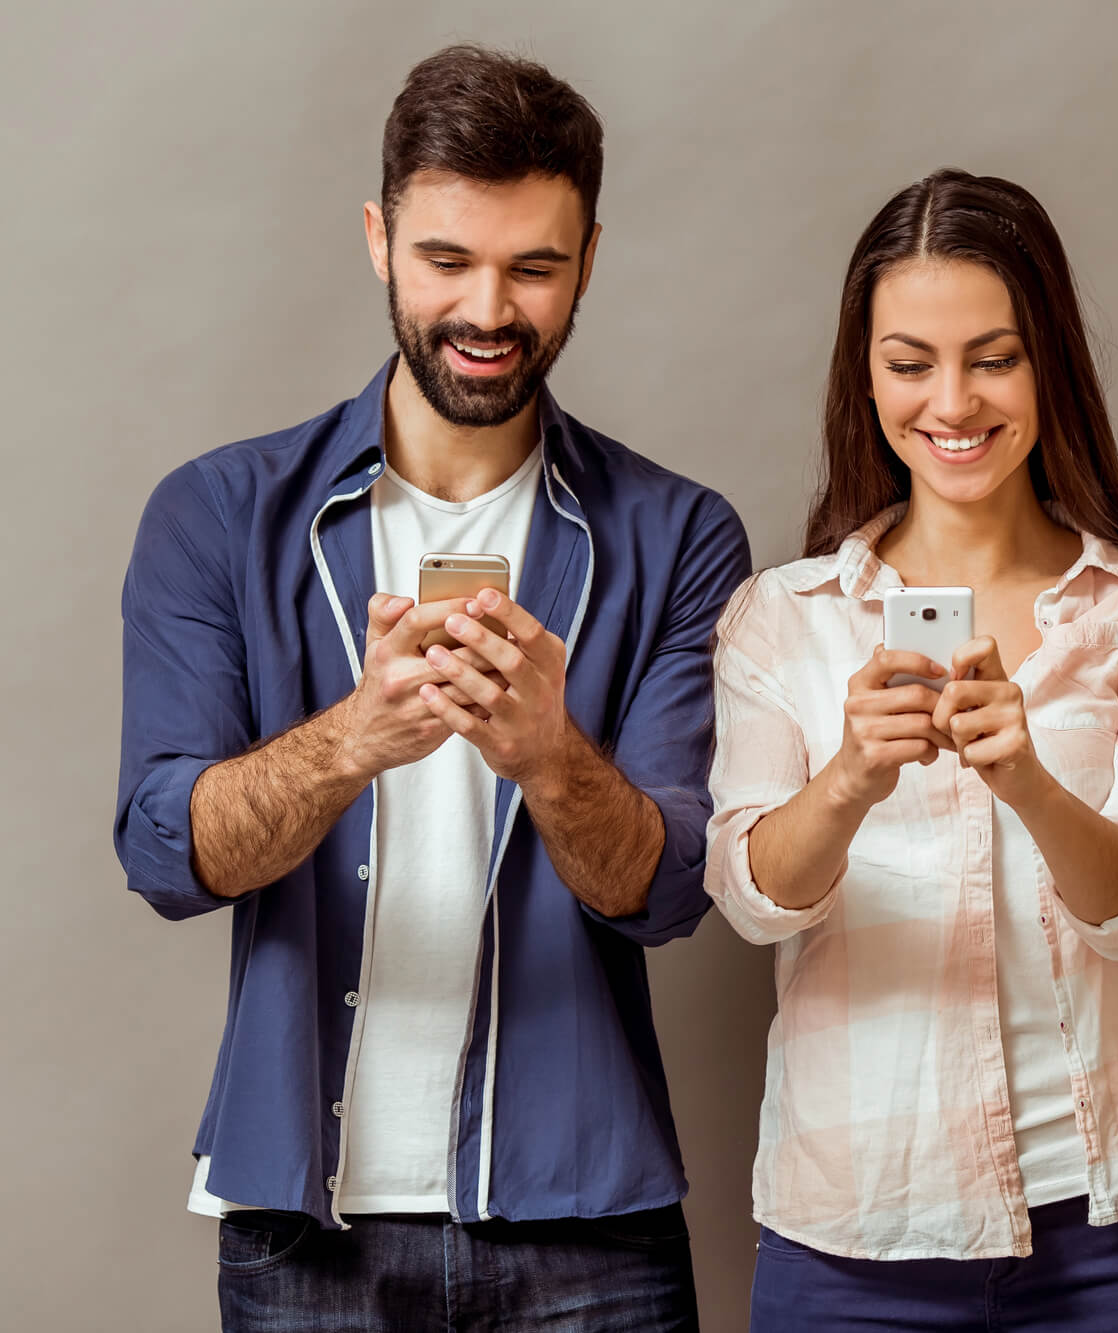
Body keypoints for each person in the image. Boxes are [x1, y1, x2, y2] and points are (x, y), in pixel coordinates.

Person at [113, 44, 748, 1330]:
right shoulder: (216, 515)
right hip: (304, 1222)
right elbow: (165, 848)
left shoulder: (679, 535)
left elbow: (670, 889)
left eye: (534, 265)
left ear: (590, 257)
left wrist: (547, 757)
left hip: (592, 1224)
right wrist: (354, 737)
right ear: (377, 237)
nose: (489, 309)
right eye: (447, 260)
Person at [704, 168, 1118, 1331]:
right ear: (866, 375)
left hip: (1114, 1231)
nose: (950, 401)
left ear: (1049, 359)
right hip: (852, 1234)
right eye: (910, 362)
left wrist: (1028, 784)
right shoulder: (783, 615)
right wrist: (851, 776)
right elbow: (754, 897)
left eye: (992, 357)